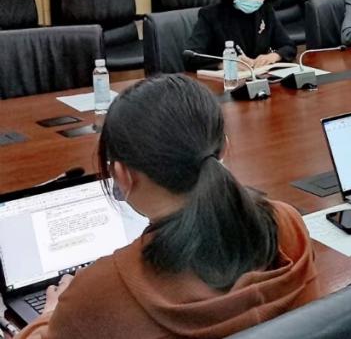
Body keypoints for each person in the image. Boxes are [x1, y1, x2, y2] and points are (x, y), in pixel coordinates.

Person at [17, 75, 318, 339]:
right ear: (224, 148)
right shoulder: (286, 222)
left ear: (122, 175)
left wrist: (50, 315)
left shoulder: (95, 293)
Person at [184, 0, 296, 71]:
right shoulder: (211, 15)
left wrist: (273, 56)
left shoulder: (265, 11)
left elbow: (288, 46)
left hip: (258, 77)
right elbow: (190, 57)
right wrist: (224, 64)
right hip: (225, 79)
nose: (253, 0)